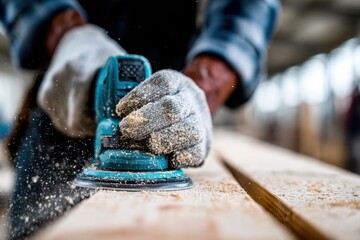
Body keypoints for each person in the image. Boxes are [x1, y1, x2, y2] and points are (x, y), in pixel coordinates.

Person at [0, 0, 279, 239]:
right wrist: (67, 36)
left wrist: (198, 90)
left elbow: (246, 8)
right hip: (67, 86)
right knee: (40, 226)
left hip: (168, 107)